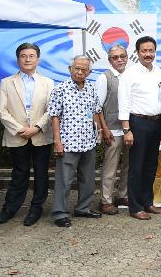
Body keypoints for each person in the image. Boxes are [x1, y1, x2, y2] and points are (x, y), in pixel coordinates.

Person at [0, 42, 54, 227]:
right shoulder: (6, 82)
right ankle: (10, 208)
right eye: (23, 56)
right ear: (18, 59)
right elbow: (2, 111)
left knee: (41, 173)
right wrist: (20, 129)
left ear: (38, 59)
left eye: (31, 56)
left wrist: (36, 127)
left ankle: (36, 208)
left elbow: (51, 110)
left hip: (40, 135)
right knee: (19, 172)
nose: (27, 59)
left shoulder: (48, 82)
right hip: (17, 135)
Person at [48, 56, 102, 227]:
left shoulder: (92, 88)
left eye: (83, 69)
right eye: (76, 68)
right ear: (70, 69)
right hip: (68, 142)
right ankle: (59, 213)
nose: (79, 72)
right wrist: (57, 141)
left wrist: (99, 133)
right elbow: (55, 116)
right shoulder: (60, 89)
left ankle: (83, 208)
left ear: (89, 72)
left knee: (88, 178)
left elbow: (95, 112)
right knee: (65, 180)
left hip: (88, 141)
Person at [118, 35, 161, 220]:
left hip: (156, 122)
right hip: (137, 123)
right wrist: (127, 130)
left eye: (151, 50)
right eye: (144, 51)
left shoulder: (157, 70)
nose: (148, 54)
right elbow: (123, 103)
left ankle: (147, 202)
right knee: (137, 167)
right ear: (137, 53)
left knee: (151, 165)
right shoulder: (129, 74)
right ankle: (135, 207)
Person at [96, 44, 130, 215]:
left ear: (127, 57)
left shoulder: (131, 76)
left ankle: (123, 195)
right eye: (115, 57)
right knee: (110, 167)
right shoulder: (105, 78)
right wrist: (104, 129)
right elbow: (97, 107)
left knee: (128, 166)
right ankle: (106, 200)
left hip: (129, 130)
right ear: (109, 60)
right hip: (113, 130)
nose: (119, 60)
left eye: (122, 56)